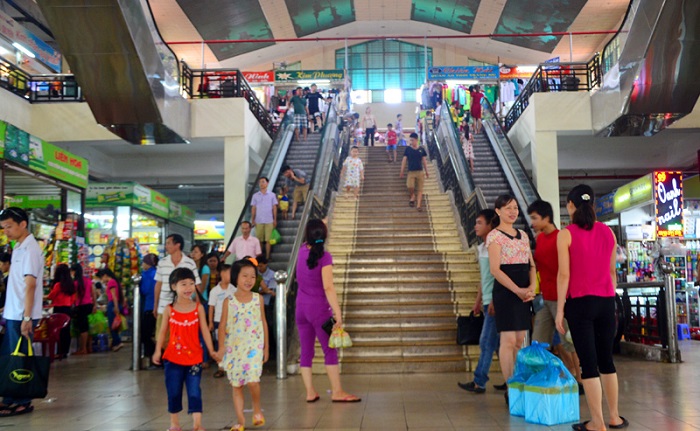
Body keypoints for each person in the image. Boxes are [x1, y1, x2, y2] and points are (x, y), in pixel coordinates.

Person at [556, 185, 628, 431]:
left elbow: (564, 275)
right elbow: (611, 273)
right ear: (593, 205)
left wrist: (559, 310)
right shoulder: (608, 232)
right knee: (606, 361)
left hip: (580, 304)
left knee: (588, 364)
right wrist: (608, 294)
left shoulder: (565, 234)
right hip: (607, 302)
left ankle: (597, 422)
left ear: (570, 206)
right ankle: (614, 417)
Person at [295, 219, 360, 403]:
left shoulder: (300, 252)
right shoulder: (325, 257)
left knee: (306, 352)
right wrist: (337, 313)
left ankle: (310, 392)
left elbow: (312, 237)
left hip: (301, 309)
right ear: (324, 235)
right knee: (330, 349)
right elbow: (328, 287)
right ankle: (337, 392)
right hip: (320, 311)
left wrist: (318, 226)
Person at [527, 200, 583, 393]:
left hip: (563, 299)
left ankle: (580, 379)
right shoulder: (540, 239)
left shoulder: (561, 237)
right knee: (538, 341)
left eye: (535, 218)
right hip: (546, 298)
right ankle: (542, 378)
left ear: (546, 217)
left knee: (569, 342)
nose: (532, 222)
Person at [153, 268, 218, 431]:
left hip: (195, 358)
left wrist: (211, 351)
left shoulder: (198, 308)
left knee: (195, 391)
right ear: (174, 286)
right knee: (173, 391)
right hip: (172, 359)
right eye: (184, 284)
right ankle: (174, 423)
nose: (188, 288)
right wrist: (157, 351)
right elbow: (162, 332)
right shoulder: (169, 309)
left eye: (191, 284)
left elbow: (205, 331)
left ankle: (197, 424)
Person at [486, 195, 536, 405]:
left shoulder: (523, 235)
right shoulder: (494, 236)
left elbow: (531, 264)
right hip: (507, 292)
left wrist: (532, 287)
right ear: (498, 211)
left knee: (519, 341)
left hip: (524, 291)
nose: (513, 212)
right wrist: (517, 290)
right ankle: (511, 386)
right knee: (507, 341)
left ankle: (519, 380)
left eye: (515, 208)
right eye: (508, 208)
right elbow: (495, 270)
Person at [0, 207, 43, 417]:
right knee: (11, 357)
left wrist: (27, 317)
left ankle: (22, 401)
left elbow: (30, 285)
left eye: (9, 226)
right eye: (3, 228)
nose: (6, 231)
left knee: (21, 358)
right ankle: (9, 398)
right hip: (13, 313)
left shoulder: (31, 249)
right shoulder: (18, 247)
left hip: (21, 315)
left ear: (22, 224)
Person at [217, 259, 269, 431]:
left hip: (254, 347)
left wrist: (266, 347)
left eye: (253, 277)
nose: (249, 280)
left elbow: (263, 323)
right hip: (234, 349)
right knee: (237, 385)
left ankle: (256, 409)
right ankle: (240, 421)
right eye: (245, 276)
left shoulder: (258, 299)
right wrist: (221, 348)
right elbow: (222, 326)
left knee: (253, 381)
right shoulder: (228, 301)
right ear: (235, 277)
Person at [458, 209, 506, 393]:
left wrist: (494, 300)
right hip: (487, 301)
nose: (475, 226)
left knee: (486, 341)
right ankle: (511, 379)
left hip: (496, 302)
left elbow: (498, 277)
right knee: (498, 345)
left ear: (490, 225)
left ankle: (479, 381)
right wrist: (478, 301)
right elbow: (484, 278)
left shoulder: (496, 246)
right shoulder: (482, 248)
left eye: (479, 222)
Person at [153, 234, 202, 341]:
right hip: (164, 306)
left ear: (177, 245)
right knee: (162, 339)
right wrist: (155, 305)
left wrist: (198, 307)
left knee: (182, 339)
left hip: (184, 309)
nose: (166, 246)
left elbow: (197, 286)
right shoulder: (162, 263)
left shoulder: (189, 263)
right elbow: (158, 285)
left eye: (168, 243)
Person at [208, 263, 235, 378]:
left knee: (231, 343)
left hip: (231, 321)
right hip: (218, 320)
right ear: (222, 274)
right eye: (229, 273)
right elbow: (211, 307)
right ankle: (221, 367)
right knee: (220, 344)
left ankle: (231, 366)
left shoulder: (234, 289)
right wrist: (210, 322)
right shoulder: (215, 291)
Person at [46, 263, 76, 359]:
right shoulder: (71, 285)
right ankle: (65, 351)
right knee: (66, 331)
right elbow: (73, 299)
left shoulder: (58, 285)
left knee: (58, 331)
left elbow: (51, 296)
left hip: (59, 309)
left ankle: (59, 351)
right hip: (68, 309)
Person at [96, 268, 126, 352]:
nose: (102, 280)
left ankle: (118, 342)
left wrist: (115, 307)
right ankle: (114, 343)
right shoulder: (114, 281)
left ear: (105, 275)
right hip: (114, 304)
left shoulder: (111, 282)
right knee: (114, 325)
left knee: (112, 326)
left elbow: (114, 296)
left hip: (112, 304)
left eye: (101, 278)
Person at [399, 132, 429, 212]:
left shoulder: (421, 149)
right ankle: (412, 196)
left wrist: (426, 171)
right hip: (411, 171)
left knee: (420, 188)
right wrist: (401, 171)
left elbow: (424, 161)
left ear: (416, 140)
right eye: (410, 140)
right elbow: (404, 160)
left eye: (412, 140)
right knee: (410, 186)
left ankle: (418, 205)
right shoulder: (408, 149)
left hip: (420, 171)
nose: (411, 142)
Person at [70, 263, 95, 355]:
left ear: (74, 271)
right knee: (87, 327)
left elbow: (75, 297)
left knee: (82, 328)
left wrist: (72, 305)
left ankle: (83, 349)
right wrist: (95, 305)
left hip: (80, 306)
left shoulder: (75, 283)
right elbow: (93, 293)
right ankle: (89, 347)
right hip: (88, 305)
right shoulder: (88, 280)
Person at [250, 177, 278, 260]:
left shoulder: (272, 195)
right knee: (259, 240)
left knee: (268, 240)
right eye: (260, 182)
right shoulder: (255, 196)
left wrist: (275, 219)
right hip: (258, 220)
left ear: (267, 183)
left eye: (263, 182)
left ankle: (268, 256)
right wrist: (253, 219)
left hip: (269, 220)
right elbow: (253, 208)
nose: (261, 184)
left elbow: (274, 207)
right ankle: (260, 256)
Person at [139, 254, 159, 367]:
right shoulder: (157, 273)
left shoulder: (147, 274)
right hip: (158, 308)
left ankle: (153, 356)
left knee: (144, 335)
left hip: (149, 307)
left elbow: (145, 290)